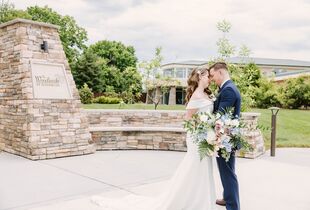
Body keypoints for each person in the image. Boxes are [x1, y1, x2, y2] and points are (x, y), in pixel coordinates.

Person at [90, 66, 218, 210]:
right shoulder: (196, 96)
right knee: (194, 167)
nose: (210, 79)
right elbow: (188, 120)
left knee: (204, 168)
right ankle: (187, 201)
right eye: (208, 76)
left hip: (206, 137)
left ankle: (202, 200)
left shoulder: (208, 95)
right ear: (200, 77)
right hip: (198, 138)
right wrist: (204, 129)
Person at [209, 62, 241, 210]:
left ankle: (233, 206)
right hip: (227, 137)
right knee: (227, 171)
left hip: (225, 138)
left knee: (227, 172)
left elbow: (220, 117)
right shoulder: (228, 88)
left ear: (220, 72)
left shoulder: (228, 90)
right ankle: (228, 198)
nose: (211, 78)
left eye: (212, 75)